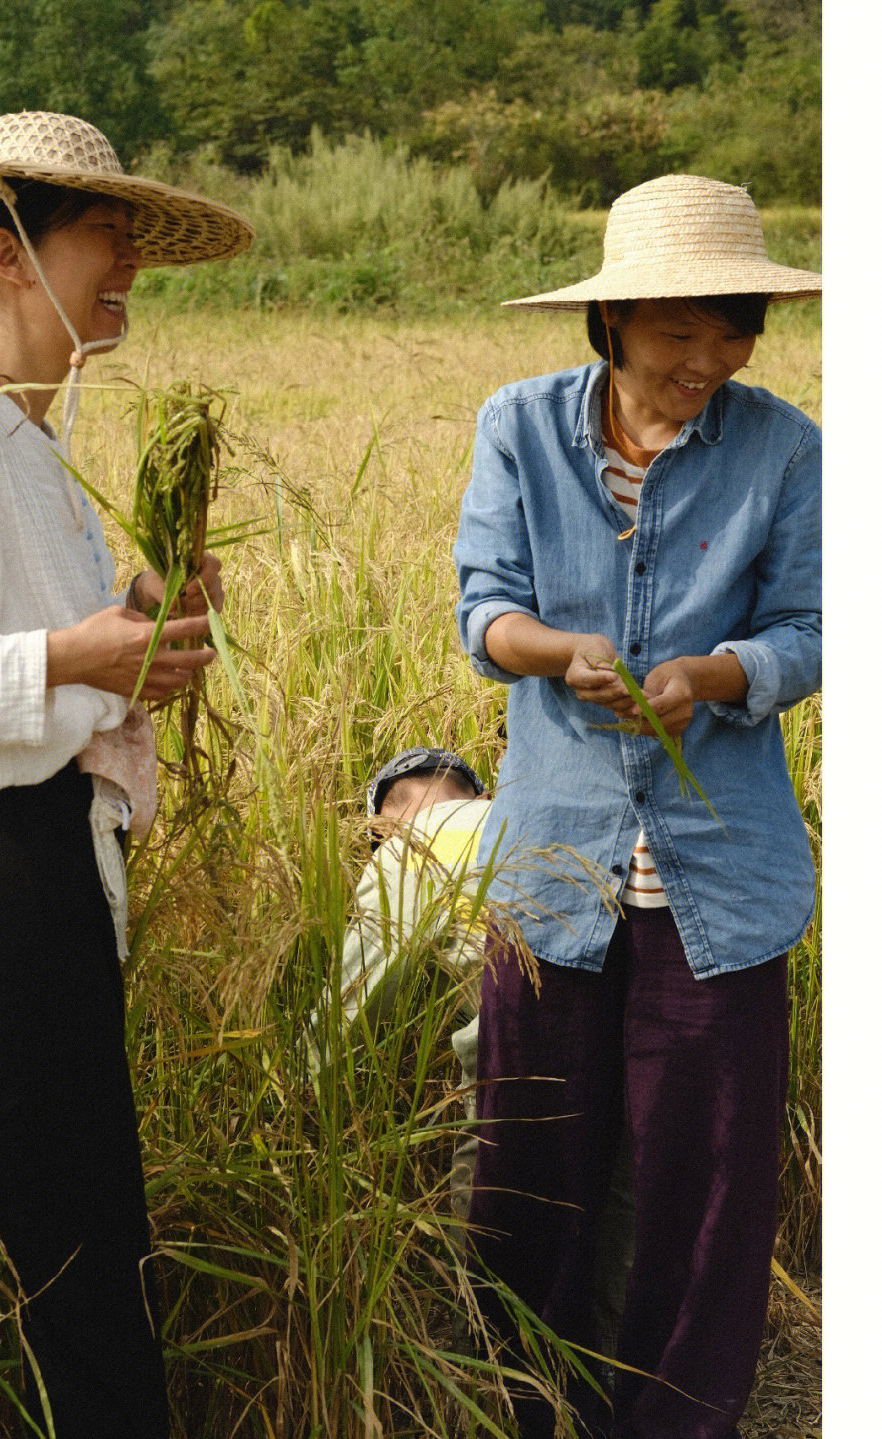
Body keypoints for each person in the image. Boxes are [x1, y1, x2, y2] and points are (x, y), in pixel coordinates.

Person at [0, 111, 253, 1437]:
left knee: (27, 1224)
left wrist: (136, 614)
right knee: (71, 1242)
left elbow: (46, 650)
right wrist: (77, 651)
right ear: (10, 253)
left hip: (37, 862)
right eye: (104, 227)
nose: (129, 252)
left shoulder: (33, 438)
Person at [452, 174, 821, 1439]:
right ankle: (519, 1405)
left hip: (720, 875)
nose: (707, 361)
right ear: (611, 325)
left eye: (735, 333)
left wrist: (723, 673)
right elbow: (480, 609)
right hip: (557, 862)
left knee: (704, 1193)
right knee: (531, 1166)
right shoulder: (522, 426)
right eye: (679, 334)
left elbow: (818, 630)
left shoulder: (784, 448)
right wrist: (559, 651)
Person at [319, 747, 635, 1368]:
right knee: (619, 1196)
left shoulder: (410, 851)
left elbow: (354, 1005)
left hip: (517, 1056)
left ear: (383, 821)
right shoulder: (532, 818)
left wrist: (298, 1077)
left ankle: (491, 1371)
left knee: (492, 1180)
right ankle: (616, 1382)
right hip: (625, 1025)